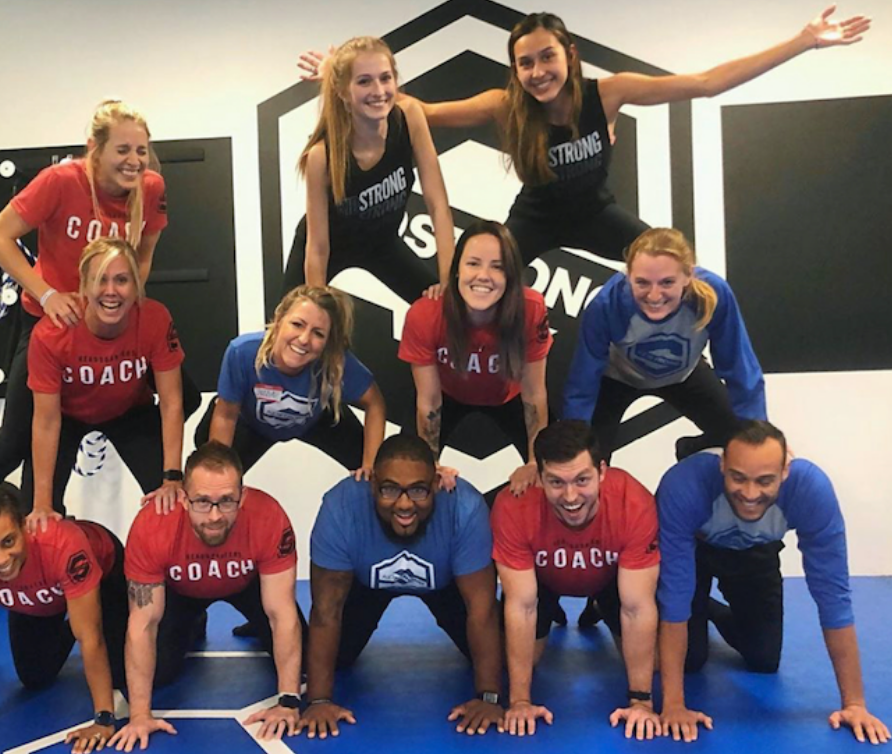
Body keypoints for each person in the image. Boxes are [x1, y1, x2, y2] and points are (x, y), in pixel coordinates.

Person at [299, 8, 870, 265]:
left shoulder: (610, 93)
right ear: (515, 70)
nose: (537, 72)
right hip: (535, 218)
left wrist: (803, 42)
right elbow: (411, 107)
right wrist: (338, 77)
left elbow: (704, 83)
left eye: (546, 57)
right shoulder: (504, 106)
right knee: (483, 273)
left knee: (679, 267)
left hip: (598, 212)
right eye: (525, 63)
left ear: (569, 55)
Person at [0, 99, 195, 488]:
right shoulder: (60, 181)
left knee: (187, 395)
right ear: (95, 148)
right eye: (122, 149)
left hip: (112, 321)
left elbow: (144, 253)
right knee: (15, 438)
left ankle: (160, 465)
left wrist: (127, 304)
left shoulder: (151, 187)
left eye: (141, 150)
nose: (134, 160)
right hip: (54, 320)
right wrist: (47, 295)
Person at [656, 420, 890, 745]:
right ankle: (695, 605)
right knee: (692, 659)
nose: (750, 493)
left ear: (785, 472)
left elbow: (833, 597)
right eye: (738, 478)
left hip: (756, 550)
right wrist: (673, 706)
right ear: (722, 466)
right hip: (697, 549)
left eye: (765, 481)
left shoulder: (810, 490)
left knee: (763, 658)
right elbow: (674, 598)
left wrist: (855, 704)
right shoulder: (685, 486)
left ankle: (706, 607)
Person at [299, 434, 503, 738]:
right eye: (390, 489)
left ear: (436, 484)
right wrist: (319, 701)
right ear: (372, 484)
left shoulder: (465, 508)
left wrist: (488, 698)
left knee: (500, 655)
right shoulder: (341, 507)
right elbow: (326, 612)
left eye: (418, 490)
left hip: (446, 583)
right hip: (366, 585)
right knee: (335, 658)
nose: (405, 505)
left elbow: (481, 610)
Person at [108, 441, 303, 751]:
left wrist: (289, 701)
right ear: (184, 499)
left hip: (248, 585)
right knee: (155, 673)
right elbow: (143, 623)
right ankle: (194, 621)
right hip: (181, 591)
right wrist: (140, 715)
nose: (214, 516)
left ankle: (255, 626)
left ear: (242, 496)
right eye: (202, 502)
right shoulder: (153, 524)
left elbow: (282, 612)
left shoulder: (267, 515)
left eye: (226, 501)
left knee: (307, 660)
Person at [0, 484, 127, 754]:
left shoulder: (63, 545)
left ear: (24, 526)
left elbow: (90, 636)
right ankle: (70, 622)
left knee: (128, 673)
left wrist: (104, 719)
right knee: (34, 677)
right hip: (39, 595)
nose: (1, 560)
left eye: (8, 542)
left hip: (105, 575)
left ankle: (104, 617)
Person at [491, 420, 660, 738]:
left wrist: (641, 702)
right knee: (514, 659)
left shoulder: (633, 502)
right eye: (556, 482)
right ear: (539, 477)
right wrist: (520, 702)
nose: (570, 496)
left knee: (654, 663)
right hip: (542, 581)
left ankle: (597, 605)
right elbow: (522, 605)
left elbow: (637, 607)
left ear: (602, 472)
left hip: (611, 578)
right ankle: (558, 607)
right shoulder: (513, 505)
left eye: (582, 480)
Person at [562, 227, 765, 461]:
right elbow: (583, 382)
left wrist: (761, 436)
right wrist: (574, 445)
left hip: (683, 374)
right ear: (628, 276)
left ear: (688, 275)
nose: (654, 296)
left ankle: (690, 449)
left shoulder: (714, 294)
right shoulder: (606, 305)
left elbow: (739, 366)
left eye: (667, 282)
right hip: (617, 379)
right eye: (642, 283)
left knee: (743, 438)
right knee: (590, 460)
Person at [25, 237, 186, 530]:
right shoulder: (51, 334)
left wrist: (172, 478)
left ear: (136, 285)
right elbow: (46, 421)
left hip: (130, 412)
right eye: (100, 280)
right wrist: (42, 504)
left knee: (176, 504)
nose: (111, 291)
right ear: (84, 286)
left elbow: (172, 402)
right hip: (67, 417)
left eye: (121, 280)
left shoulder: (154, 318)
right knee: (37, 517)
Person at [287, 36, 455, 304]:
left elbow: (438, 205)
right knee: (291, 321)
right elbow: (318, 248)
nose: (378, 91)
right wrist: (316, 311)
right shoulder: (322, 156)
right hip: (331, 248)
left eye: (385, 78)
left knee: (446, 309)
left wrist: (448, 281)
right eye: (364, 81)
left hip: (382, 243)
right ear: (343, 92)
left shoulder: (409, 116)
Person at [399, 220, 551, 495]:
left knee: (554, 467)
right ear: (456, 269)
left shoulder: (531, 309)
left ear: (511, 275)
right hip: (447, 395)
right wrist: (430, 464)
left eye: (497, 267)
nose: (483, 275)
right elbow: (429, 400)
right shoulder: (425, 314)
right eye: (473, 264)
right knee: (408, 472)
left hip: (510, 396)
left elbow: (534, 392)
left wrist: (534, 462)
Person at [195, 284, 385, 478]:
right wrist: (218, 475)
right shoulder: (242, 352)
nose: (304, 339)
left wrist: (369, 466)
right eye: (297, 324)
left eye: (318, 333)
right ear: (279, 321)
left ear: (328, 342)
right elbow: (226, 416)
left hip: (316, 417)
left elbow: (375, 404)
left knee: (378, 471)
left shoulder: (336, 362)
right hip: (250, 421)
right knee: (211, 464)